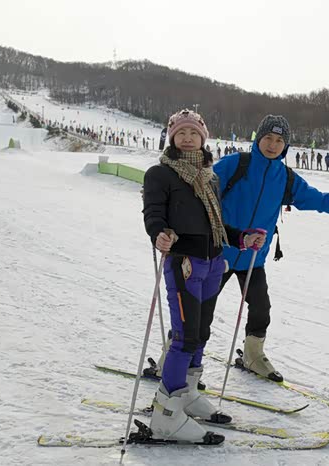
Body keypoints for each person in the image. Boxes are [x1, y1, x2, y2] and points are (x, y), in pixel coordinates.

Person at [213, 115, 329, 381]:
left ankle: (253, 355)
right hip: (219, 252)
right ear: (258, 139)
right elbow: (201, 189)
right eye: (268, 138)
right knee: (198, 306)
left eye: (279, 141)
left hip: (254, 257)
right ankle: (174, 358)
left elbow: (317, 199)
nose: (272, 145)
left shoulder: (285, 178)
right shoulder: (235, 164)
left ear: (285, 146)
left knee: (261, 308)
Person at [142, 109, 266, 443]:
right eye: (181, 133)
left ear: (202, 138)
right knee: (185, 337)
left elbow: (217, 224)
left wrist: (242, 238)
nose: (187, 138)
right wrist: (158, 233)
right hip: (183, 263)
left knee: (202, 333)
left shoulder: (209, 177)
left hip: (213, 263)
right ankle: (166, 415)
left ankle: (188, 393)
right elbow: (153, 213)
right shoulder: (160, 174)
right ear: (172, 138)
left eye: (193, 133)